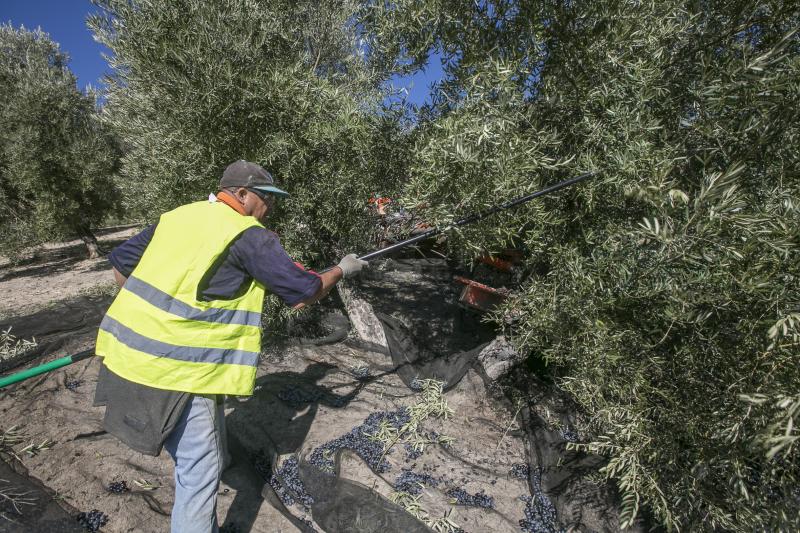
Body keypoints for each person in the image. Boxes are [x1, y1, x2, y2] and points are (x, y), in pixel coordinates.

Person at [93, 160, 367, 532]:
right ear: (241, 193)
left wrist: (157, 316)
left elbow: (122, 267)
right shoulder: (250, 235)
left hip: (127, 352)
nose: (270, 206)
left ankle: (220, 459)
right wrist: (341, 270)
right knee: (198, 467)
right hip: (181, 370)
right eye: (266, 197)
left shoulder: (178, 216)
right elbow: (305, 293)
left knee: (207, 437)